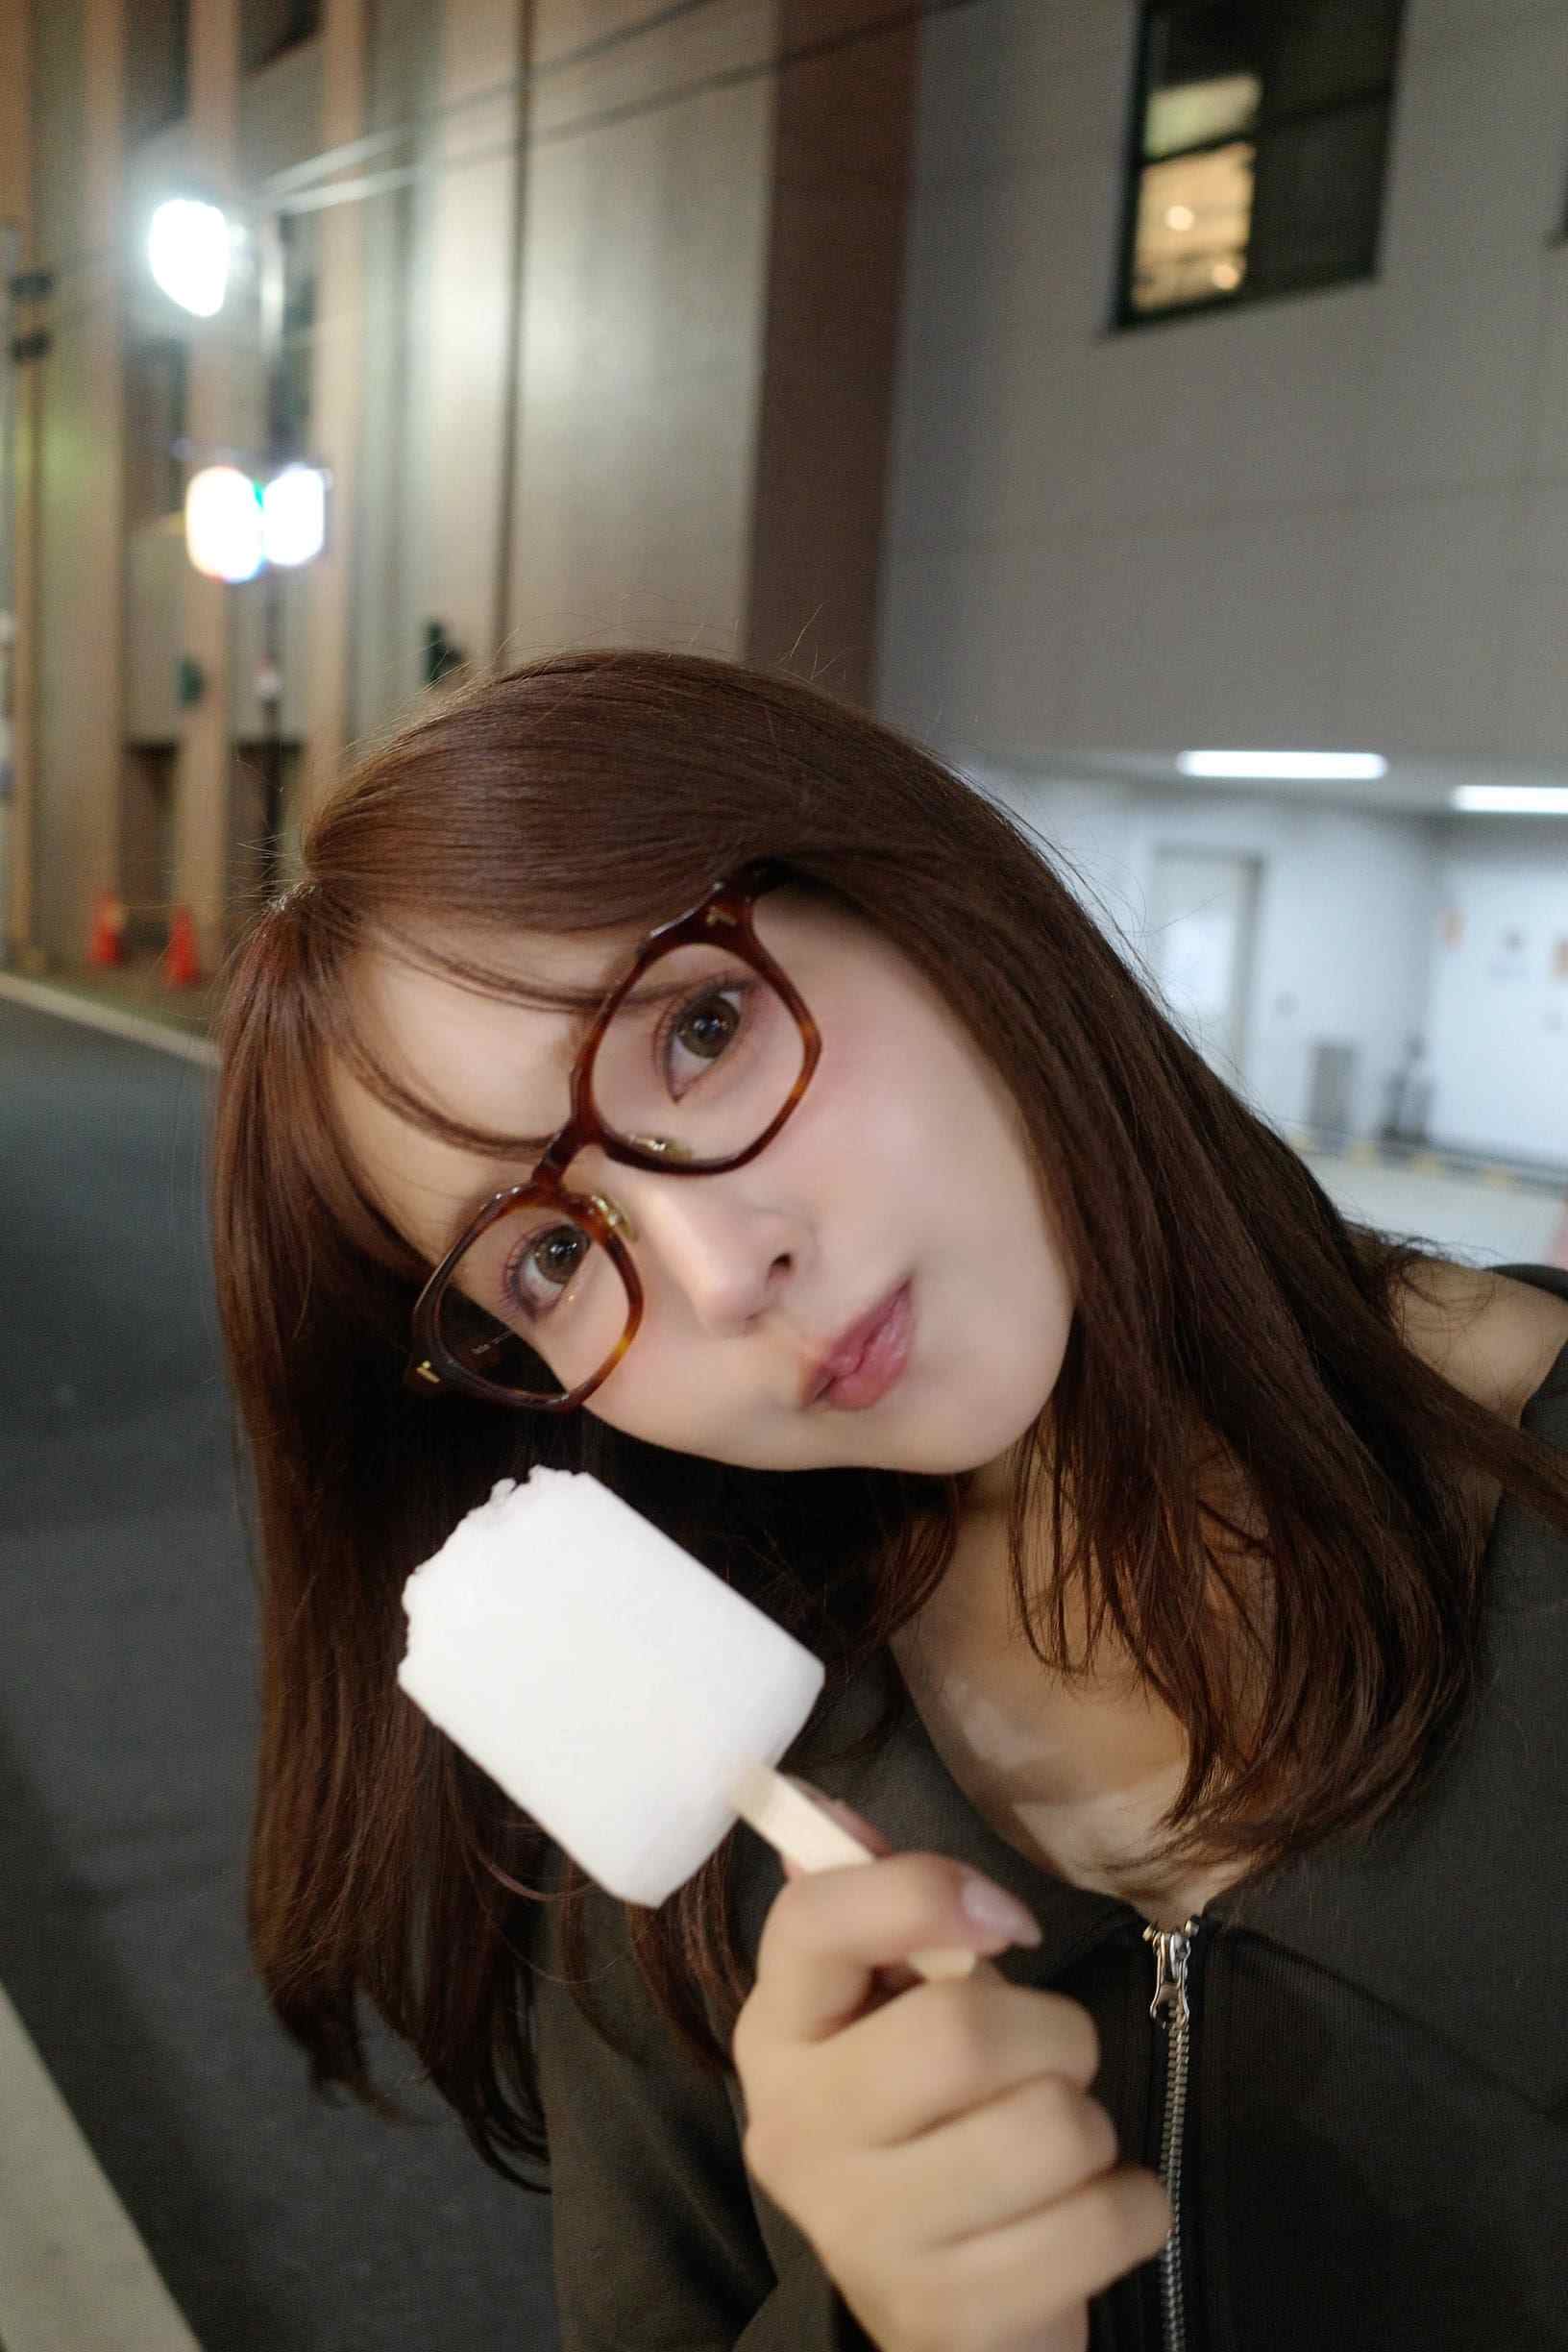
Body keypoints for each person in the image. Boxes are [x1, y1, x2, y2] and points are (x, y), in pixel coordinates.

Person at [212, 647, 1568, 2352]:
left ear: (917, 897)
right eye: (548, 1258)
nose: (723, 1273)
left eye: (699, 1031)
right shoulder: (681, 1872)